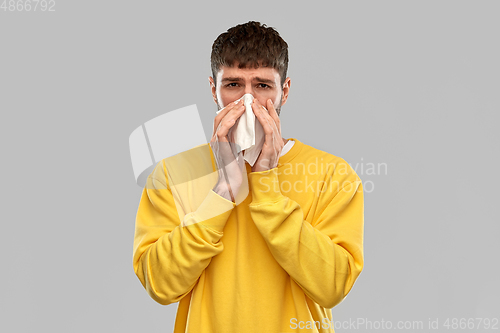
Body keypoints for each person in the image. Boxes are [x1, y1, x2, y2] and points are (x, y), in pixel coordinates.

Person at [132, 21, 364, 333]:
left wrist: (266, 186)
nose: (247, 102)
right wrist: (224, 190)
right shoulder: (173, 174)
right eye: (233, 85)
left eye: (263, 86)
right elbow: (160, 284)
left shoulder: (333, 174)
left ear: (285, 91)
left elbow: (333, 285)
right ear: (213, 90)